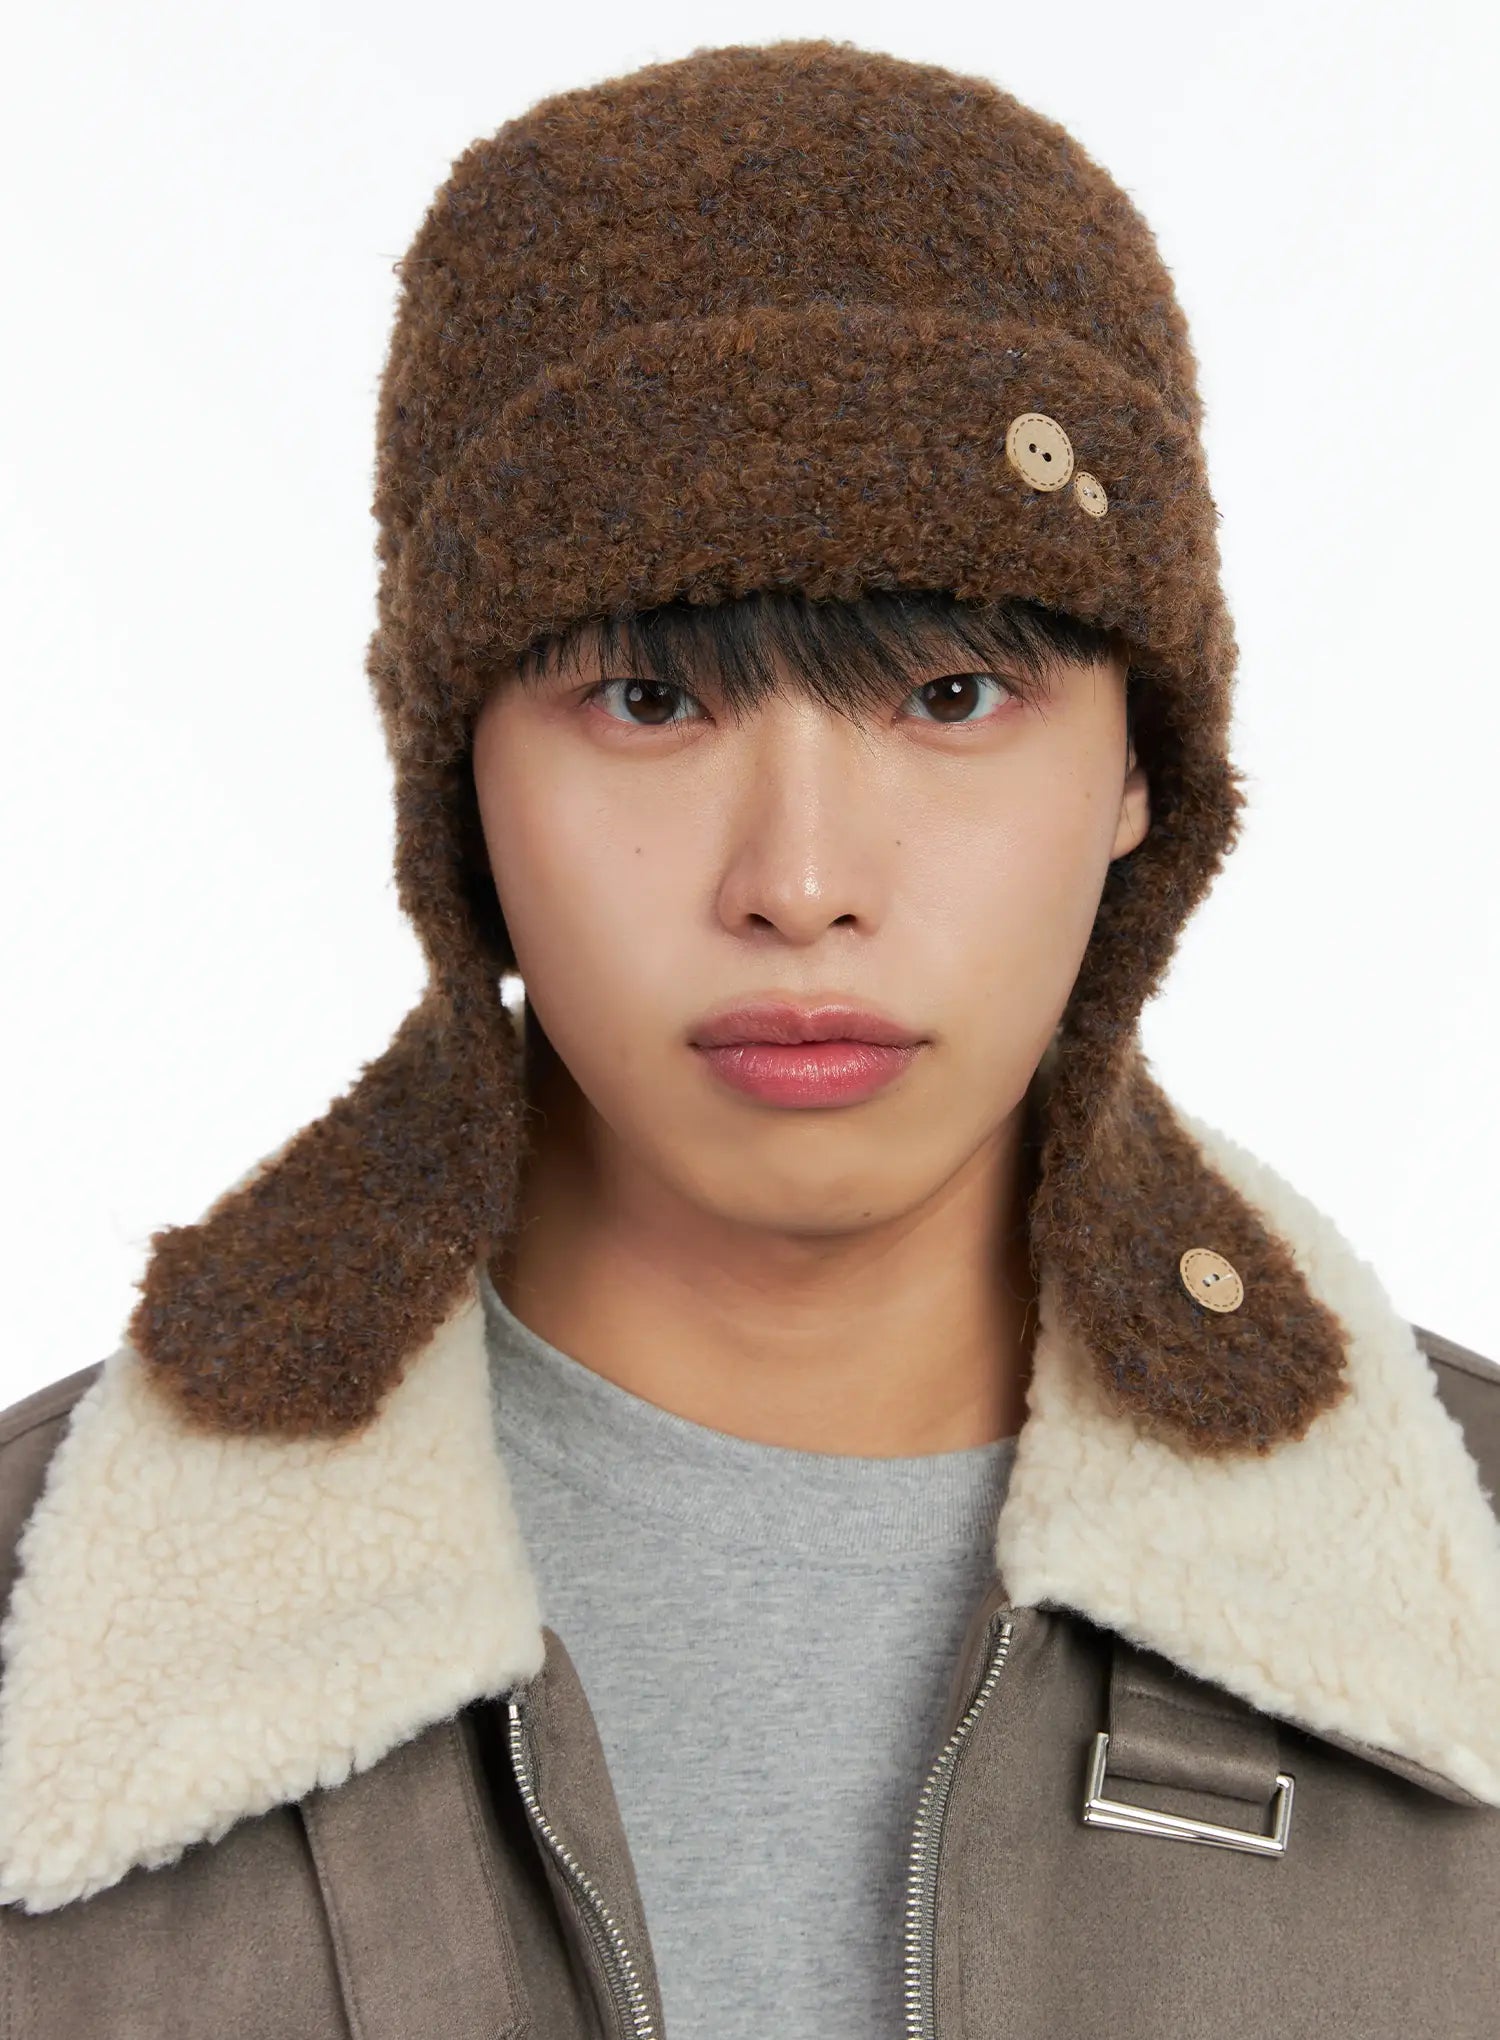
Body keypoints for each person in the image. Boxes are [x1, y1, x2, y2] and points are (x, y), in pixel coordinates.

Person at [0, 36, 1496, 2040]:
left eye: (951, 697)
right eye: (648, 700)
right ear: (459, 785)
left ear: (1143, 766)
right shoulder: (46, 1659)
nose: (799, 881)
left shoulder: (1469, 1615)